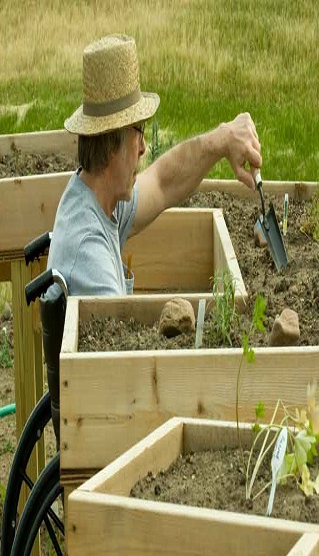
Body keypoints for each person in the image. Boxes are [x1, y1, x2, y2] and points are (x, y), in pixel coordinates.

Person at [42, 33, 262, 442]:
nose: (145, 147)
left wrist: (220, 139)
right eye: (138, 132)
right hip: (110, 427)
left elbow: (163, 180)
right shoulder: (88, 254)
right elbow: (134, 371)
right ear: (112, 143)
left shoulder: (95, 196)